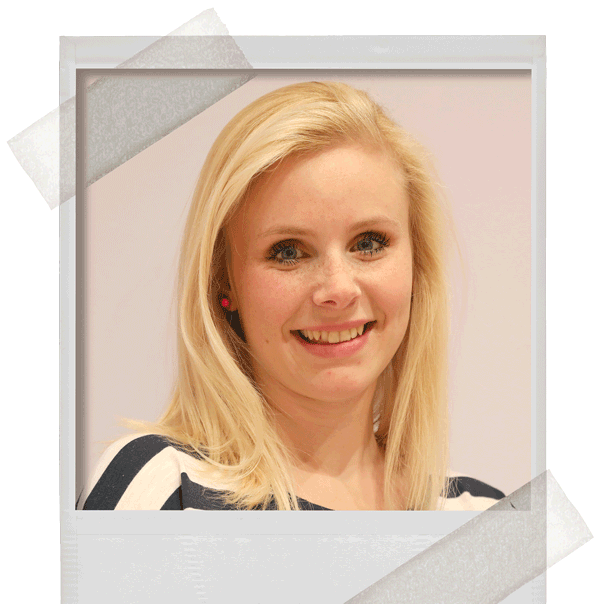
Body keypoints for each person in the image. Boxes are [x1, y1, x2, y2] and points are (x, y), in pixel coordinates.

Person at [78, 81, 505, 511]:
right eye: (288, 252)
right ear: (224, 282)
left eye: (369, 243)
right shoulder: (161, 488)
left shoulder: (484, 515)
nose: (338, 289)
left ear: (417, 263)